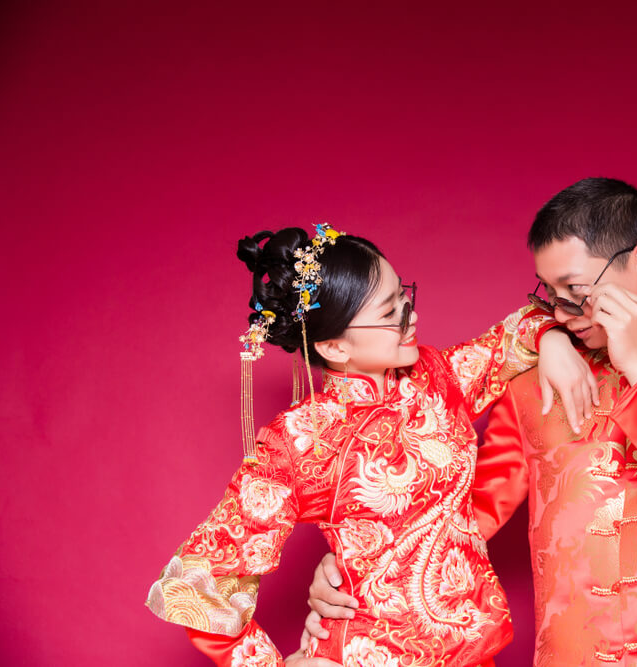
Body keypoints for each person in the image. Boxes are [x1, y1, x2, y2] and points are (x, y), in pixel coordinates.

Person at [304, 179, 637, 665]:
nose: (562, 312)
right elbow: (456, 515)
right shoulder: (532, 377)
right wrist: (358, 565)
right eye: (550, 292)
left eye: (576, 290)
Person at [145, 225, 596, 666]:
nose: (410, 315)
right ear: (334, 346)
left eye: (405, 296)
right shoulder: (300, 442)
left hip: (474, 650)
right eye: (389, 312)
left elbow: (513, 335)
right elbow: (197, 583)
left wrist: (550, 337)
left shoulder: (435, 376)